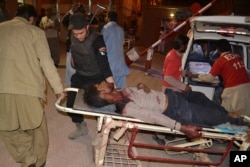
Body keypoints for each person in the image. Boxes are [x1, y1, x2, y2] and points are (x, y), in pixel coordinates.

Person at [0, 4, 65, 167]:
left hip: (2, 87)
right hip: (29, 87)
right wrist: (58, 88)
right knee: (37, 126)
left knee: (8, 127)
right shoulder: (35, 32)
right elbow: (46, 62)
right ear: (31, 19)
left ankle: (26, 158)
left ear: (16, 14)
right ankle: (38, 162)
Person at [83, 81, 249, 139]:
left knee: (198, 96)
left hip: (172, 96)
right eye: (100, 85)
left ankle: (227, 113)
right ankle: (242, 125)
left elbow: (142, 95)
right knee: (214, 117)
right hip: (178, 110)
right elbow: (153, 116)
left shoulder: (119, 91)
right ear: (104, 94)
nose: (103, 82)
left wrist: (141, 86)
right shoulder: (127, 107)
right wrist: (182, 127)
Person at [66, 14, 116, 140]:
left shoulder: (97, 39)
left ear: (87, 27)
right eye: (75, 33)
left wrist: (112, 84)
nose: (78, 36)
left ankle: (105, 131)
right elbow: (73, 55)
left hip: (96, 78)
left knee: (99, 106)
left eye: (81, 33)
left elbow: (104, 64)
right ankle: (81, 127)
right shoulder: (72, 37)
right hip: (80, 76)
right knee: (70, 105)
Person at [189, 39, 250, 116]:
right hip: (247, 87)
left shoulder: (220, 61)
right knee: (245, 112)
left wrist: (197, 75)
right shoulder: (238, 57)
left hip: (233, 90)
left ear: (218, 50)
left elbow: (209, 78)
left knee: (226, 113)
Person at [101, 11, 130, 89]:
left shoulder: (106, 28)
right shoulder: (121, 29)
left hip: (110, 62)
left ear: (108, 18)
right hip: (120, 62)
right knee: (121, 87)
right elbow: (122, 43)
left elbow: (101, 44)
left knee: (109, 87)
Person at [61, 3, 86, 86]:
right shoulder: (71, 19)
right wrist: (71, 10)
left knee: (82, 69)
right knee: (70, 69)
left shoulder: (84, 20)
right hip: (71, 48)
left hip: (83, 48)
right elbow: (64, 21)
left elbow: (94, 21)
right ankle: (70, 87)